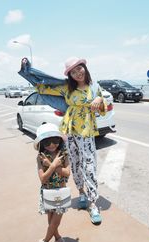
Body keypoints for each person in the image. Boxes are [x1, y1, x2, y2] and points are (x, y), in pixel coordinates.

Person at [37, 57, 107, 225]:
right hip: (69, 130)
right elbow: (45, 89)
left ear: (85, 67)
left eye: (79, 69)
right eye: (73, 72)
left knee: (89, 165)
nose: (78, 73)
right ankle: (81, 193)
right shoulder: (66, 88)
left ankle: (93, 204)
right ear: (70, 75)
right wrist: (31, 75)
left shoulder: (95, 87)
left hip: (87, 131)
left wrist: (100, 99)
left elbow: (103, 110)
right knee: (74, 163)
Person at [33, 123, 70, 242]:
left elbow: (66, 173)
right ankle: (58, 238)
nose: (52, 144)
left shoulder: (64, 154)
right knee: (51, 219)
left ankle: (44, 241)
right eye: (47, 142)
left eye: (55, 140)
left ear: (59, 140)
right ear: (42, 143)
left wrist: (51, 165)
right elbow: (42, 179)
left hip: (61, 192)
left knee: (56, 221)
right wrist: (53, 165)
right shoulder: (40, 157)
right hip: (47, 191)